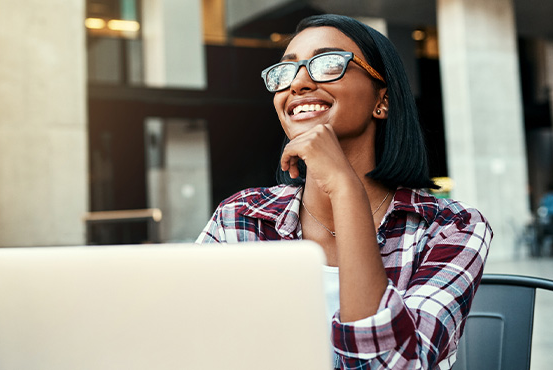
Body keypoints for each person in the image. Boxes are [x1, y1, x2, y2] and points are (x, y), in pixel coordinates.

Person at [196, 14, 492, 369]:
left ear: (381, 100)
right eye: (285, 71)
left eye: (328, 63)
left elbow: (391, 365)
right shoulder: (241, 215)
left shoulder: (452, 228)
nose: (299, 83)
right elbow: (189, 338)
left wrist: (344, 188)